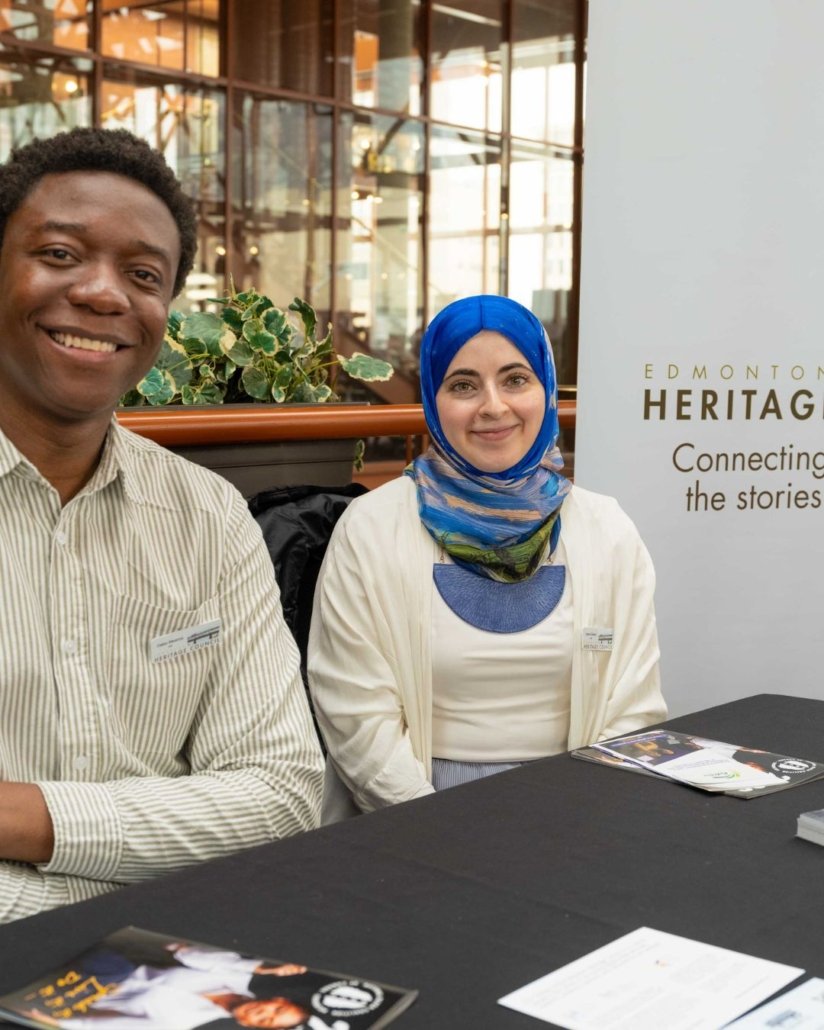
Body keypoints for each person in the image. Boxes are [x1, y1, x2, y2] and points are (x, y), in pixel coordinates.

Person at [0, 127, 323, 923]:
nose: (104, 294)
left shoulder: (208, 517)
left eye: (143, 275)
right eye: (61, 254)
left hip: (178, 950)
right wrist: (112, 889)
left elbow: (281, 791)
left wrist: (30, 820)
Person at [308, 294, 666, 819]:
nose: (493, 406)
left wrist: (581, 824)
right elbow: (355, 713)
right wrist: (434, 832)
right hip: (411, 818)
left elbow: (634, 707)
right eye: (463, 385)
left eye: (516, 379)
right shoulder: (370, 529)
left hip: (580, 809)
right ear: (433, 399)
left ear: (546, 389)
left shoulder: (607, 529)